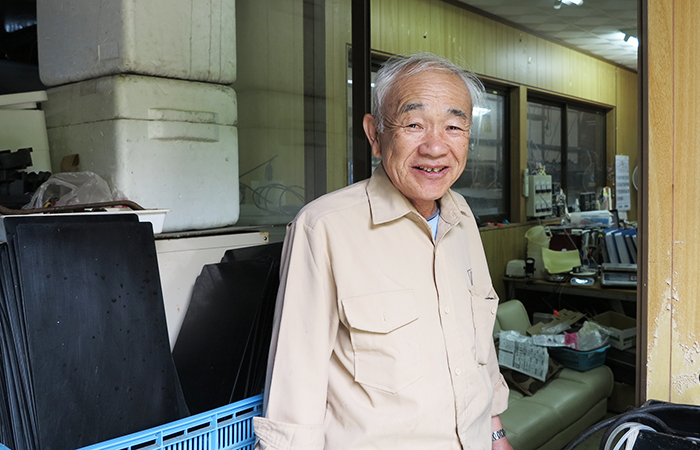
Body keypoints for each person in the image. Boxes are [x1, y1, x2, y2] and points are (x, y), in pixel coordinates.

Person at [253, 52, 513, 450]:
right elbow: (295, 383)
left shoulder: (463, 218)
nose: (435, 147)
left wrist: (496, 434)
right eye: (413, 124)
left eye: (454, 127)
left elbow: (477, 351)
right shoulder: (324, 227)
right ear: (375, 135)